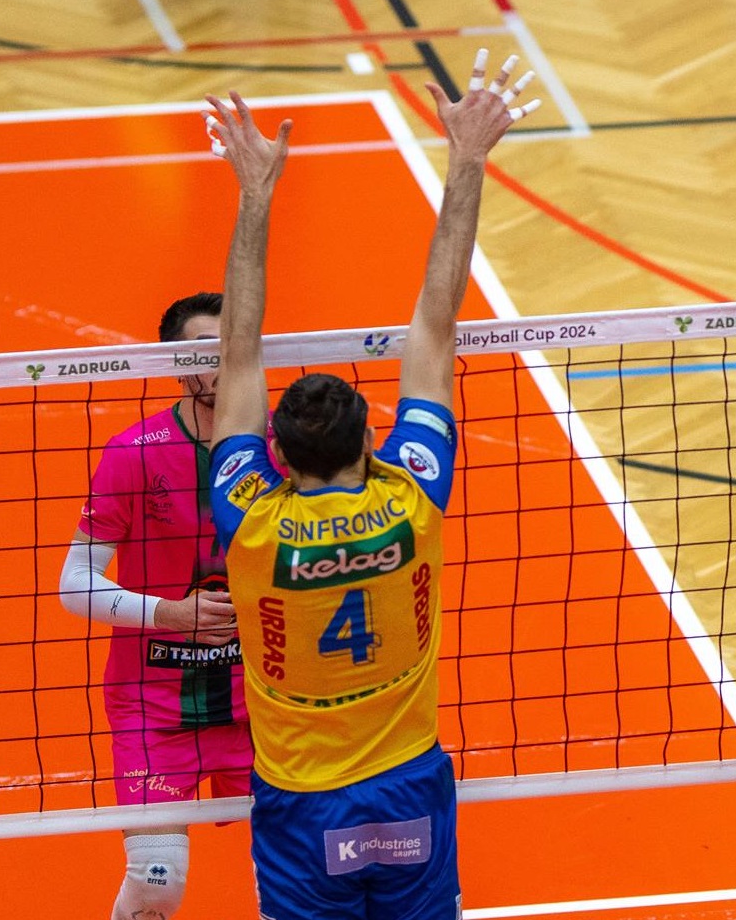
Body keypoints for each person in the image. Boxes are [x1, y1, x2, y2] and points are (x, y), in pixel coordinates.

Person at [203, 59, 538, 919]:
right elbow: (436, 322)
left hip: (302, 804)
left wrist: (255, 195)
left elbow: (236, 357)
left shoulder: (251, 519)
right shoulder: (414, 494)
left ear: (274, 452)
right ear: (371, 439)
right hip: (407, 790)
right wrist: (467, 160)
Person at [59, 291, 252, 920]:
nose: (221, 362)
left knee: (299, 867)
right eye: (203, 351)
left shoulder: (289, 445)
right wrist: (167, 615)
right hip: (154, 704)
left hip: (269, 702)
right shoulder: (133, 453)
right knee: (157, 884)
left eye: (231, 344)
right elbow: (75, 582)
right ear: (177, 362)